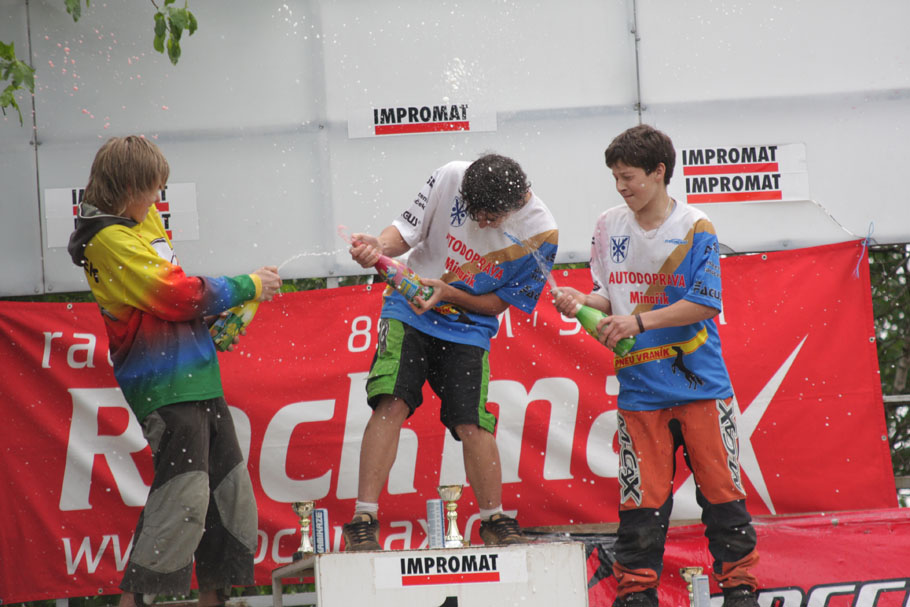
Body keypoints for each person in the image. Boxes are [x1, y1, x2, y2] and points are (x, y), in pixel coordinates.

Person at [67, 136, 282, 606]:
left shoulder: (139, 219)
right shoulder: (107, 240)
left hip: (199, 377)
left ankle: (215, 599)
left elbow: (170, 299)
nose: (157, 200)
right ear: (128, 188)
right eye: (152, 189)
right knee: (181, 501)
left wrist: (207, 319)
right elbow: (176, 294)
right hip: (164, 387)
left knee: (228, 499)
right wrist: (247, 284)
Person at [553, 125, 760, 607]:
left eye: (628, 177)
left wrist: (638, 322)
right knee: (640, 504)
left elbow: (705, 302)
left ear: (659, 171)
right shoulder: (608, 225)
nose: (621, 187)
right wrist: (580, 300)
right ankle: (636, 593)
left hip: (700, 387)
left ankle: (741, 590)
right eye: (615, 178)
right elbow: (608, 297)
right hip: (639, 390)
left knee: (723, 497)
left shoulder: (695, 226)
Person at [344, 153, 558, 551]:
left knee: (472, 421)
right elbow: (404, 232)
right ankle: (363, 518)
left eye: (490, 218)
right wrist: (378, 246)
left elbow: (498, 304)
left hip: (468, 326)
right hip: (408, 307)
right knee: (391, 402)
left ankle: (494, 519)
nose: (481, 224)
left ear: (516, 202)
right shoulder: (450, 176)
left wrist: (448, 293)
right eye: (474, 213)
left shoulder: (542, 233)